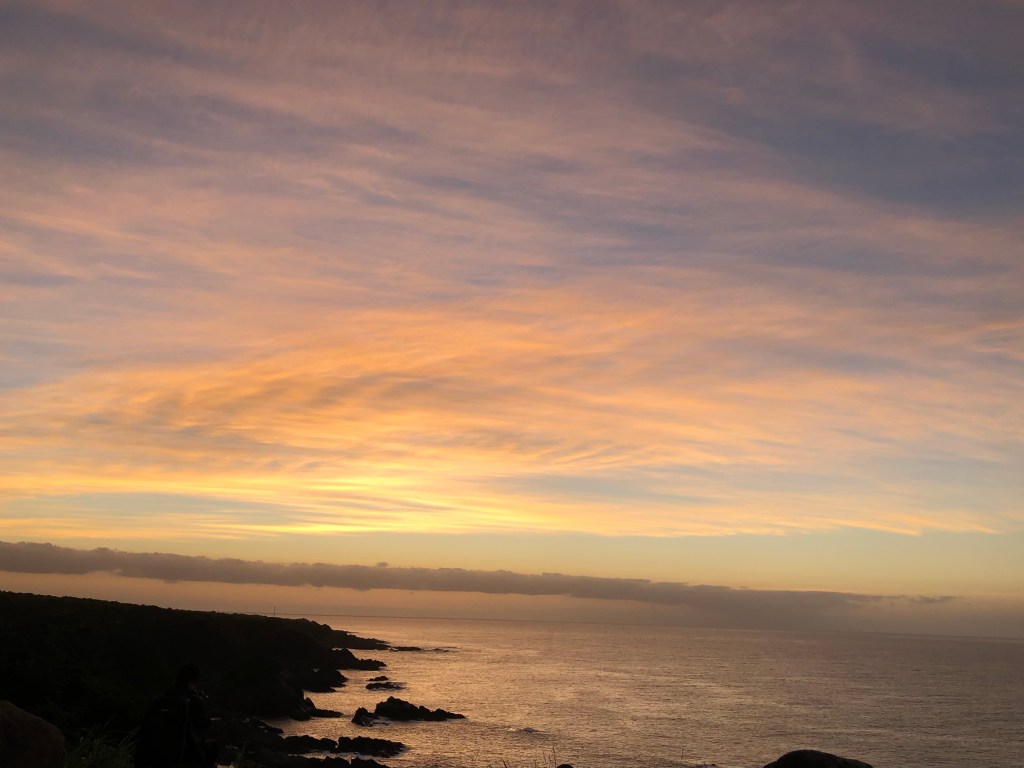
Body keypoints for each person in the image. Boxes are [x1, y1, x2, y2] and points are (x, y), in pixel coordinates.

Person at [134, 664, 217, 768]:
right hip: (179, 754)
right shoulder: (192, 700)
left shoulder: (159, 699)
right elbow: (201, 725)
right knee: (213, 746)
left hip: (151, 755)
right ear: (193, 681)